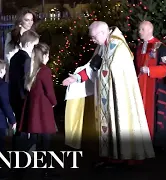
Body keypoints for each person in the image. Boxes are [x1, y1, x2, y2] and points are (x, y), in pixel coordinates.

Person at [62, 21, 155, 168]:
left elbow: (115, 71)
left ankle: (125, 156)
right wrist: (76, 77)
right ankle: (111, 156)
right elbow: (94, 66)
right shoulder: (103, 44)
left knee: (120, 122)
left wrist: (101, 73)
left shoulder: (118, 47)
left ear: (102, 33)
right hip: (107, 95)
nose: (92, 40)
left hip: (119, 96)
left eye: (93, 37)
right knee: (108, 125)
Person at [19, 43, 57, 178]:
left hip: (33, 108)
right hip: (43, 109)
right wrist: (54, 102)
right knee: (46, 139)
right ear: (45, 55)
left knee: (33, 138)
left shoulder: (32, 69)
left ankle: (23, 166)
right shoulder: (45, 70)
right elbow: (49, 91)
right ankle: (45, 169)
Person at [136, 21, 166, 151]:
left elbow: (165, 69)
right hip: (139, 86)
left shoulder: (161, 47)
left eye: (142, 29)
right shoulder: (140, 47)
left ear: (149, 30)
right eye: (139, 29)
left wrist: (150, 70)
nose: (139, 32)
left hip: (154, 88)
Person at [8, 30, 39, 150]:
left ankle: (17, 152)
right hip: (22, 98)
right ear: (28, 44)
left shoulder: (15, 56)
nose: (35, 48)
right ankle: (22, 156)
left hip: (14, 95)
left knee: (18, 128)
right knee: (24, 127)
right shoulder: (26, 59)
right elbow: (25, 80)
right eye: (34, 45)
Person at [4, 8, 38, 81]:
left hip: (29, 74)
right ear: (20, 21)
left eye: (32, 20)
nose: (30, 22)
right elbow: (7, 56)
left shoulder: (34, 37)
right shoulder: (11, 35)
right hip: (14, 73)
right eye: (27, 20)